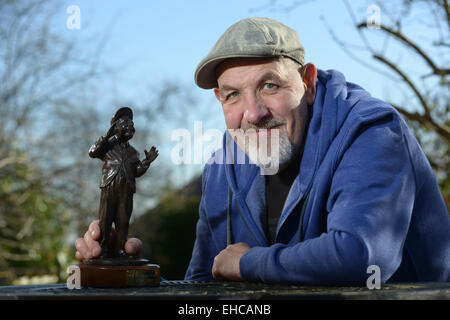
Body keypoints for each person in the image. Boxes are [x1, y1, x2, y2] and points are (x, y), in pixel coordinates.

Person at [76, 17, 450, 285]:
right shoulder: (225, 162)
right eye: (234, 95)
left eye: (270, 86)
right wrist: (127, 269)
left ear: (308, 82)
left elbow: (364, 256)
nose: (253, 114)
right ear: (219, 98)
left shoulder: (372, 132)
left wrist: (250, 263)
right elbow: (206, 281)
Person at [80, 107, 158, 260]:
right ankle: (102, 247)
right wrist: (109, 135)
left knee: (123, 221)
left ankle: (121, 248)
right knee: (105, 219)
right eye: (126, 124)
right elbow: (92, 152)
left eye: (132, 125)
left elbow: (136, 172)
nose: (130, 127)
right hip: (110, 187)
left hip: (126, 190)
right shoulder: (107, 147)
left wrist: (146, 162)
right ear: (116, 127)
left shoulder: (133, 152)